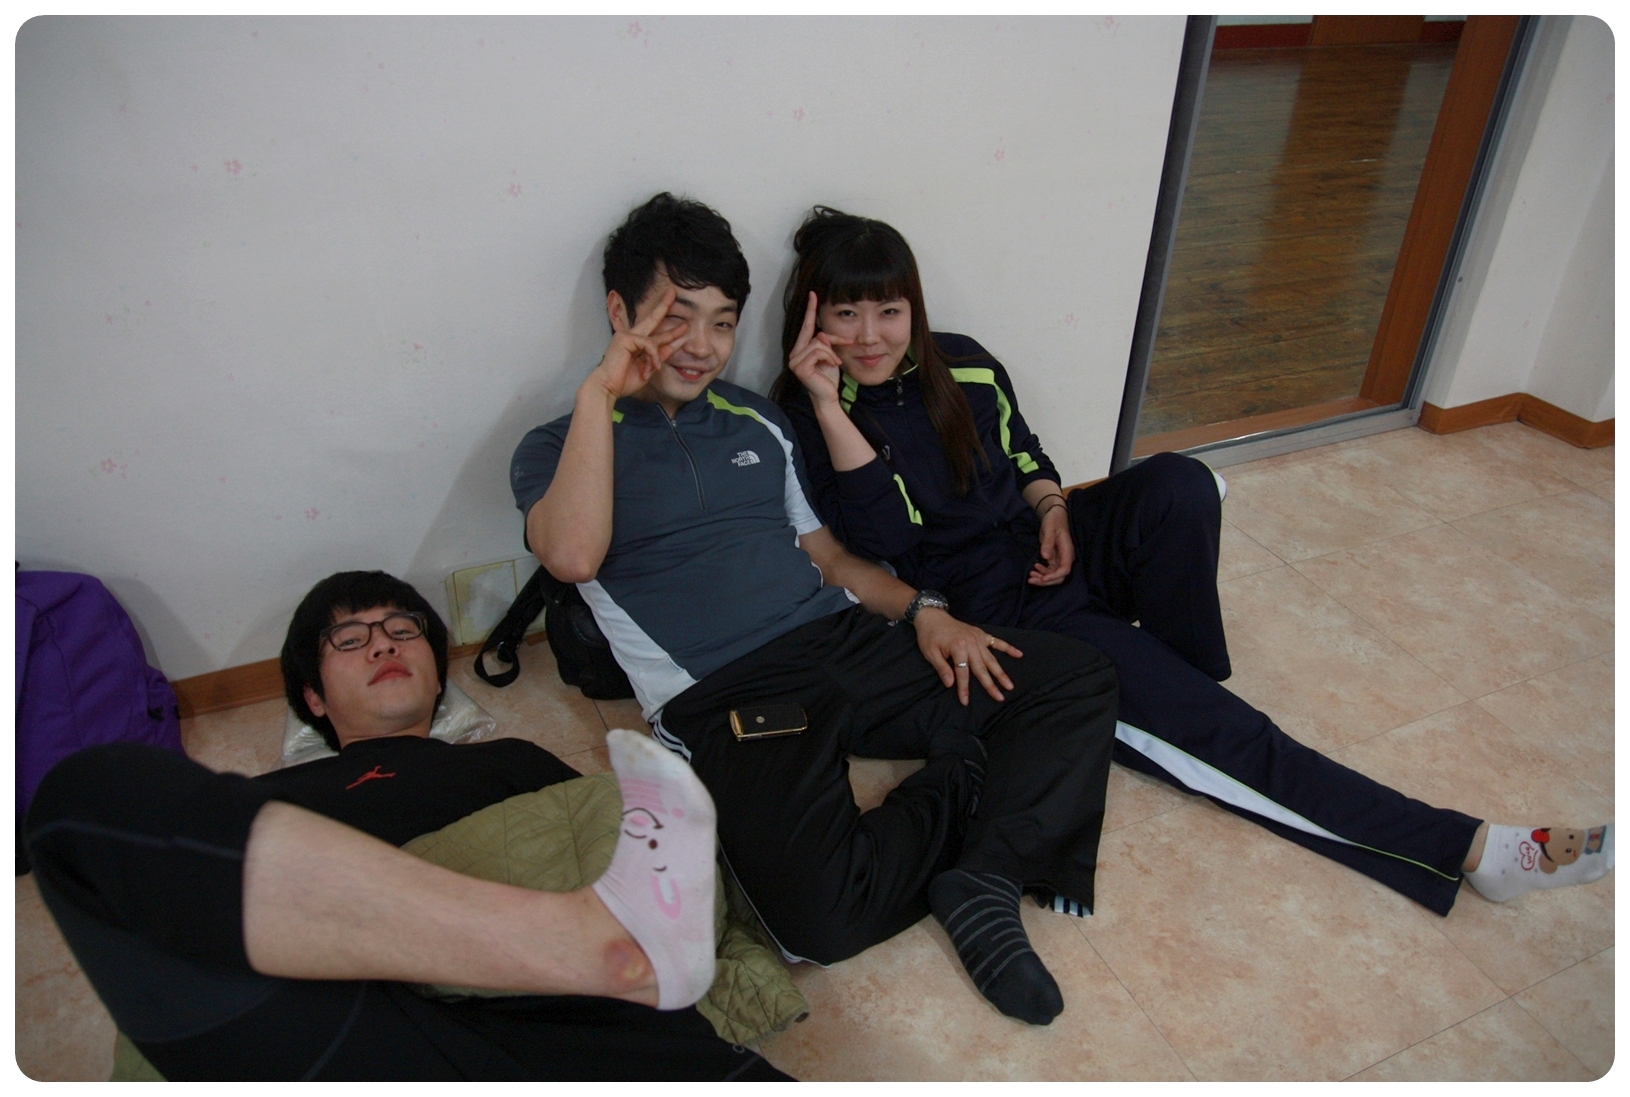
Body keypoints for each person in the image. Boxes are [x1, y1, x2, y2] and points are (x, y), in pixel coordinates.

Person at [769, 205, 1614, 918]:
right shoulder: (806, 417)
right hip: (995, 609)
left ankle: (1184, 683)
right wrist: (828, 403)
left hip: (1046, 549)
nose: (870, 336)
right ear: (812, 322)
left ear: (913, 308)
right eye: (846, 315)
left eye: (888, 311)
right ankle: (1473, 848)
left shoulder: (964, 361)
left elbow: (1025, 452)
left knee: (1181, 483)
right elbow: (881, 539)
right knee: (1239, 739)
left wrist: (1055, 508)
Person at [510, 192, 1121, 1026]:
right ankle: (970, 785)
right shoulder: (557, 444)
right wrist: (599, 393)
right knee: (820, 923)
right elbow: (573, 556)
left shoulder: (758, 421)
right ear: (620, 314)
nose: (702, 346)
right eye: (674, 319)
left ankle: (985, 877)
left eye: (723, 323)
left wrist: (925, 612)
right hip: (730, 693)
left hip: (845, 639)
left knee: (1072, 677)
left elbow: (831, 558)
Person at [23, 569, 790, 1081]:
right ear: (313, 698)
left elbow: (618, 852)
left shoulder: (513, 759)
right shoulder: (263, 805)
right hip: (353, 1033)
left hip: (566, 1021)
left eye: (402, 628)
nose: (383, 641)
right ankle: (584, 943)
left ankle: (594, 949)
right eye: (349, 639)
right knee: (89, 795)